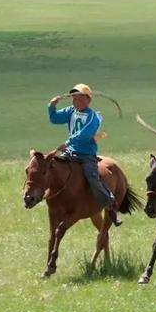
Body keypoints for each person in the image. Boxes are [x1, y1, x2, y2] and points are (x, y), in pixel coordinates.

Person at [48, 83, 119, 223]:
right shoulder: (70, 111)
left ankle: (110, 203)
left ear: (88, 99)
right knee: (52, 168)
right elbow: (54, 119)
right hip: (70, 153)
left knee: (93, 177)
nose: (75, 101)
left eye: (79, 98)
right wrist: (51, 106)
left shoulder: (92, 116)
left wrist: (68, 142)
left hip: (86, 155)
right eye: (74, 98)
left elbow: (85, 134)